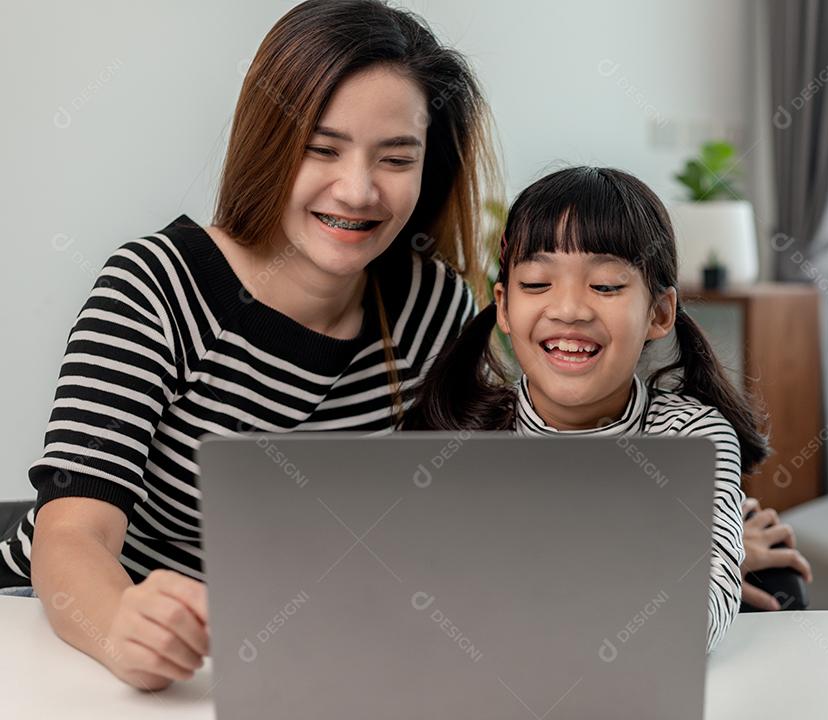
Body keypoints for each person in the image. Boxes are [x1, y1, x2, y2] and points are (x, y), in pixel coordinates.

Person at [0, 0, 498, 691]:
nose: (357, 191)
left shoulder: (434, 308)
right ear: (269, 142)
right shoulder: (157, 287)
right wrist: (121, 624)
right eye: (321, 149)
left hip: (288, 656)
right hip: (71, 644)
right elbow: (70, 535)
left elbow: (445, 533)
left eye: (395, 158)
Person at [402, 165, 770, 651]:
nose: (570, 309)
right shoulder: (461, 439)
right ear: (505, 308)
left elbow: (692, 619)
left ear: (659, 314)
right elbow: (432, 606)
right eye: (536, 284)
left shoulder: (693, 438)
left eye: (606, 286)